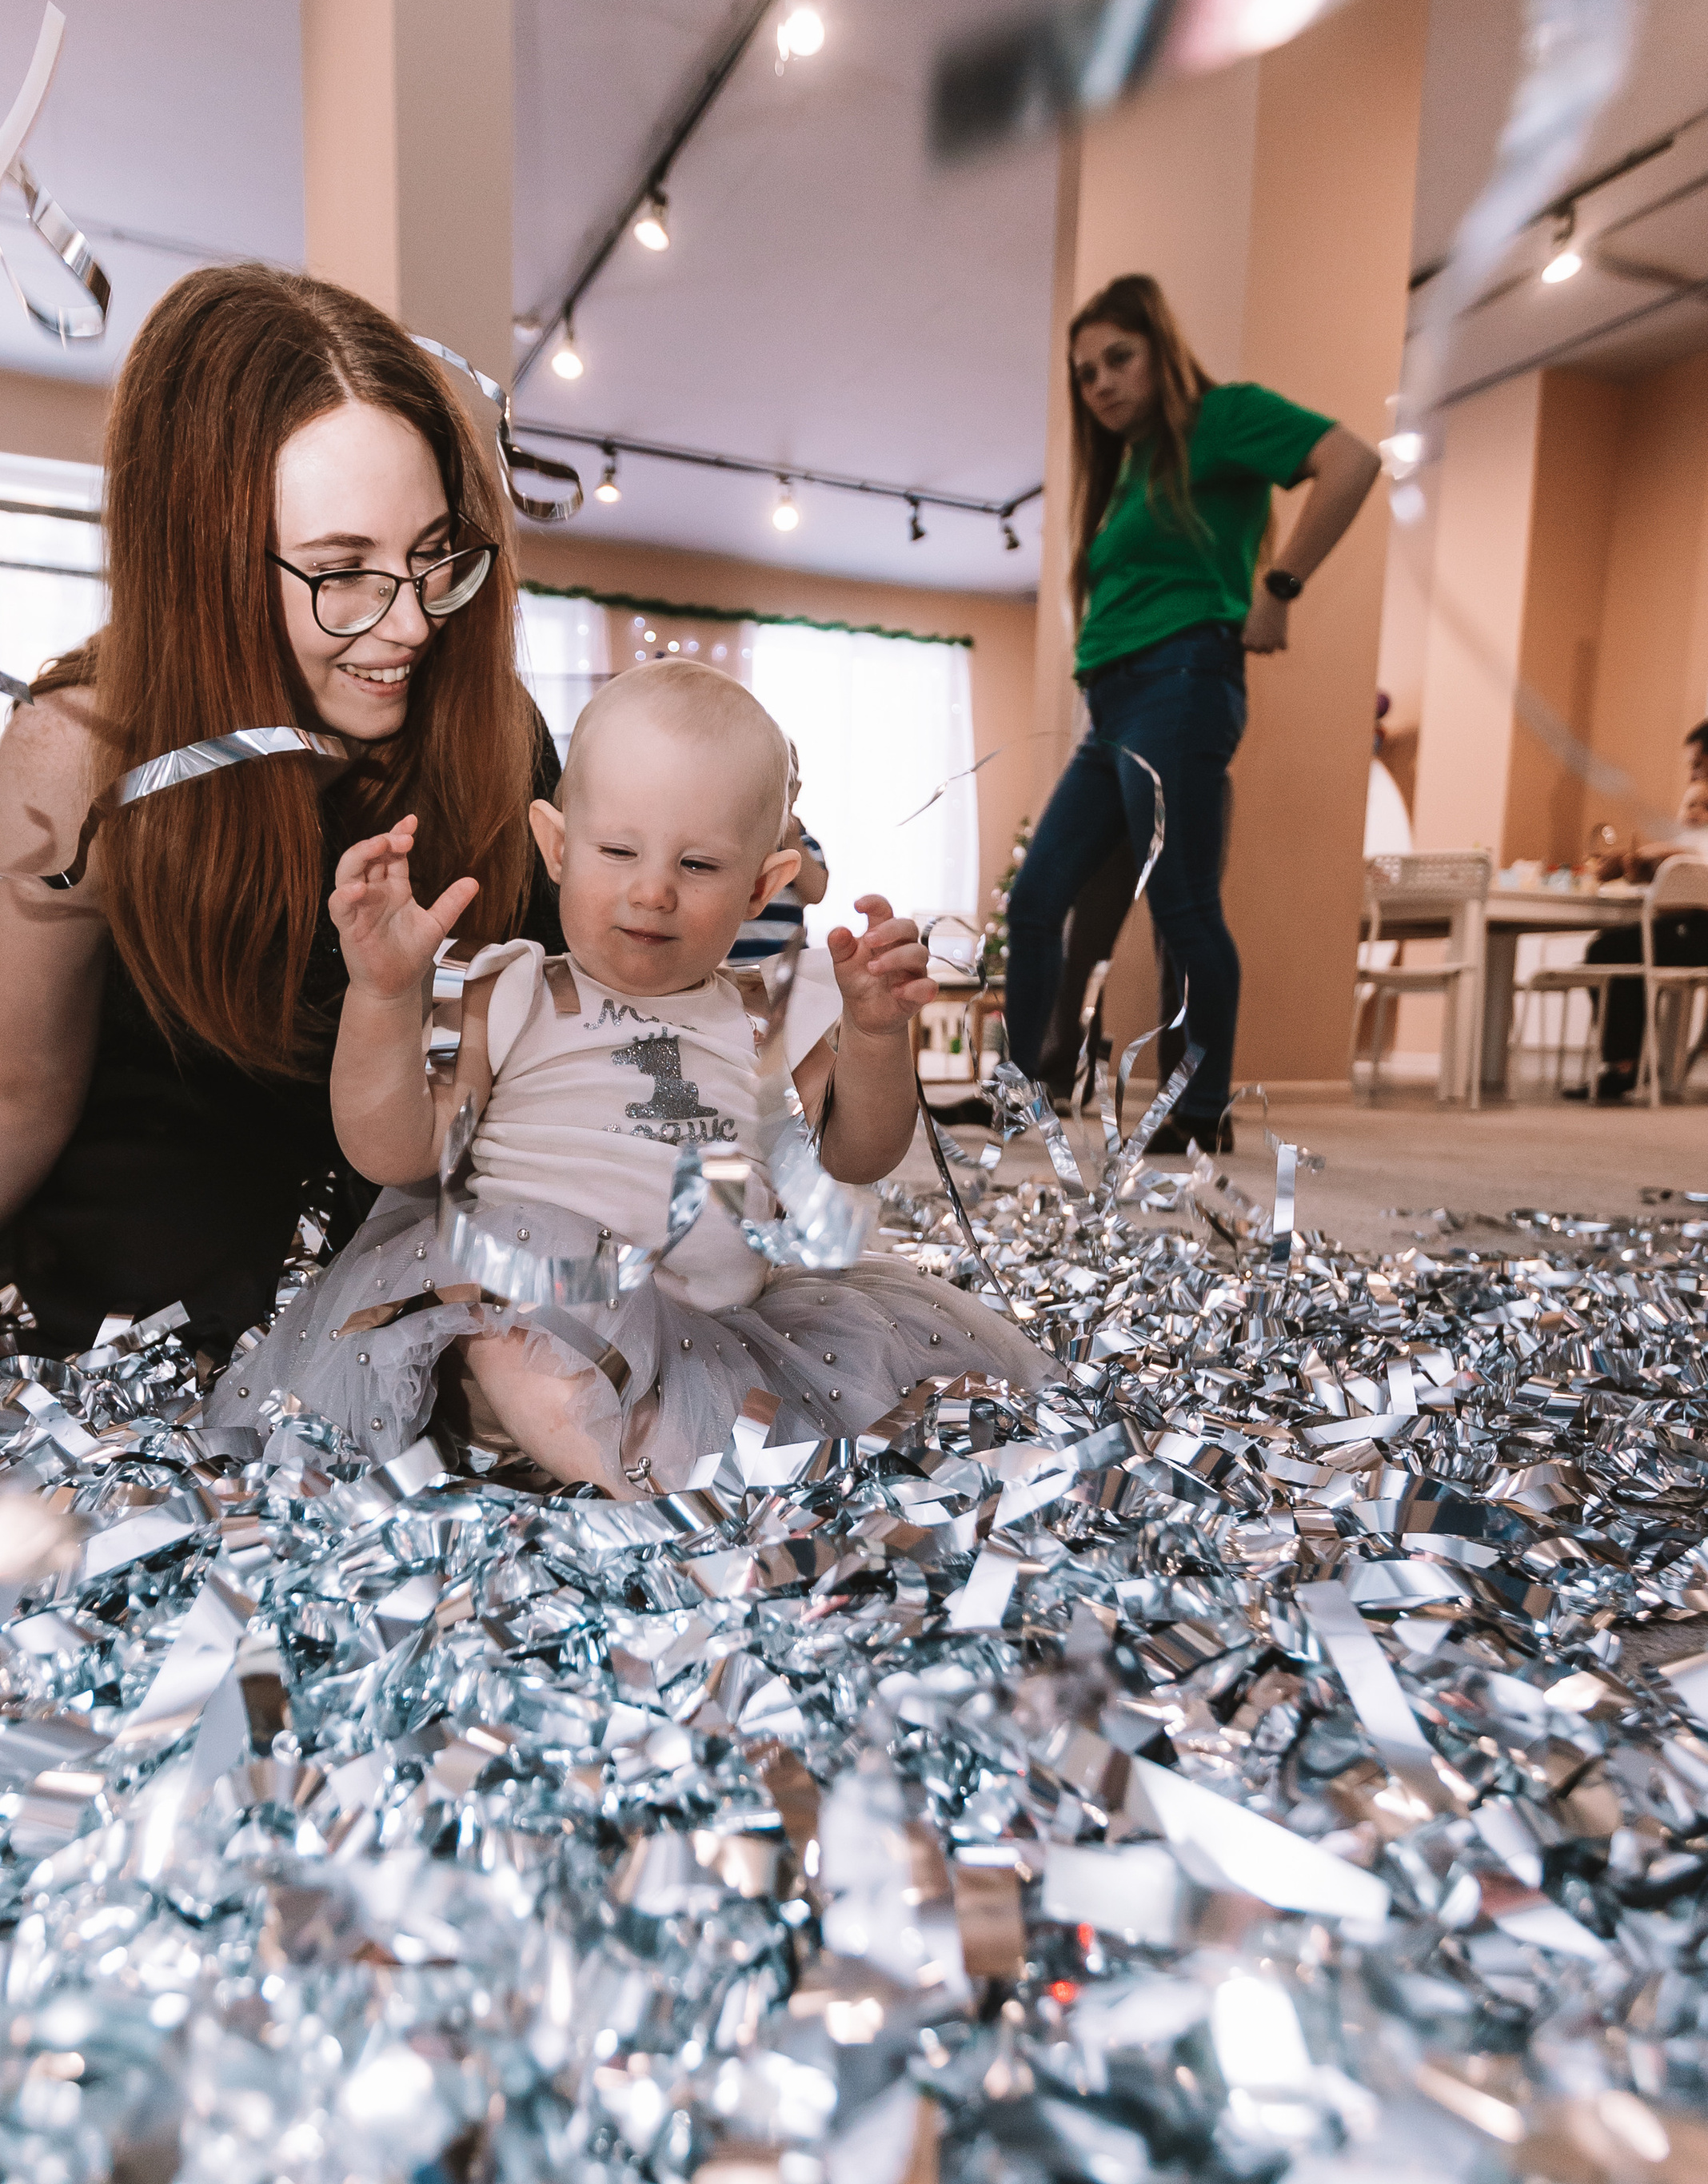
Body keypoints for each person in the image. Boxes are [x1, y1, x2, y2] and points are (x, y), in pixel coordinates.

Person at [0, 266, 562, 1360]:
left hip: (407, 1323)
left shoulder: (494, 728)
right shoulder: (75, 749)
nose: (411, 625)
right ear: (204, 566)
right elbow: (18, 1092)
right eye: (341, 571)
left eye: (431, 556)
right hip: (134, 1326)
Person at [211, 663, 1056, 1490]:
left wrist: (874, 1035)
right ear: (555, 846)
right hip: (533, 1303)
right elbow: (391, 1152)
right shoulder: (510, 991)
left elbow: (854, 1154)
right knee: (512, 1323)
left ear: (762, 886)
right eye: (617, 850)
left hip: (710, 1332)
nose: (651, 891)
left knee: (896, 1380)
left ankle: (685, 1458)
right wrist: (384, 993)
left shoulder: (753, 1019)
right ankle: (657, 1488)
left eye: (698, 867)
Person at [1004, 273, 1381, 1151]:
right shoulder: (1128, 466)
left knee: (1180, 907)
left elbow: (1352, 461)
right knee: (1034, 901)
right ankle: (1020, 1097)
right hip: (1113, 709)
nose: (1099, 382)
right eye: (1086, 371)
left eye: (1118, 358)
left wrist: (1280, 586)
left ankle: (1201, 1112)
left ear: (1161, 348)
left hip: (1180, 683)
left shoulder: (1221, 418)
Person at [1570, 720, 1708, 1102]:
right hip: (1690, 929)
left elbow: (1696, 867)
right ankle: (1631, 1062)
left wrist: (1651, 854)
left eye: (1697, 765)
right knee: (1622, 947)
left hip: (1701, 934)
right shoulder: (1695, 828)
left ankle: (1624, 1066)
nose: (1692, 774)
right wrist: (1640, 867)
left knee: (1609, 951)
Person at [728, 797, 828, 964]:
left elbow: (816, 893)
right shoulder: (733, 842)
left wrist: (792, 840)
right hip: (737, 962)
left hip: (788, 965)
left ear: (797, 790)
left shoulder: (805, 845)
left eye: (788, 784)